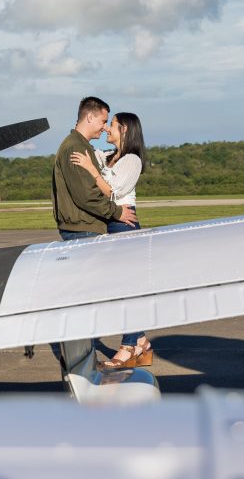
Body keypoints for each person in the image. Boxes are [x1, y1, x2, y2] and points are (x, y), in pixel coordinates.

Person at [70, 111, 152, 369]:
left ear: (125, 129)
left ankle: (129, 347)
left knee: (125, 289)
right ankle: (140, 341)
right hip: (110, 223)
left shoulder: (132, 160)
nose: (107, 130)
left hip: (124, 224)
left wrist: (91, 170)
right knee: (117, 288)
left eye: (112, 125)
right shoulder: (107, 156)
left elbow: (112, 190)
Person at [52, 97, 138, 242]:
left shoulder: (81, 145)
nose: (105, 127)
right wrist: (117, 212)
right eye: (104, 121)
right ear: (90, 117)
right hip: (83, 228)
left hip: (85, 226)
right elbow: (87, 195)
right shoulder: (76, 147)